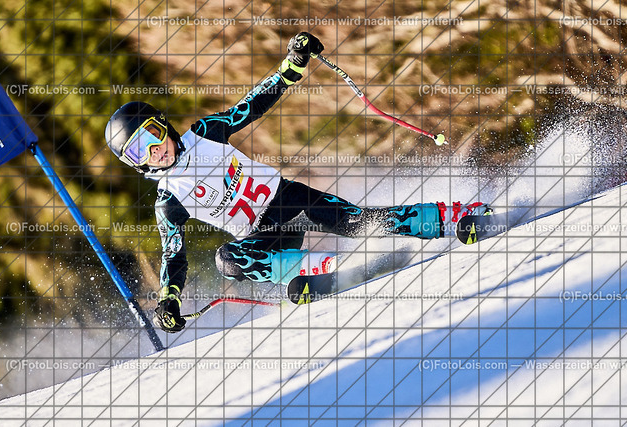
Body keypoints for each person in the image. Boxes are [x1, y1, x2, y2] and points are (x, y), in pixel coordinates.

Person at [105, 32, 488, 333]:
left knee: (358, 222)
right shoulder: (168, 201)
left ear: (164, 126)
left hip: (288, 200)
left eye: (152, 135)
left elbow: (253, 104)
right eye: (139, 151)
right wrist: (169, 300)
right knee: (228, 260)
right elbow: (173, 255)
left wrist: (293, 64)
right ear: (135, 164)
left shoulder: (205, 133)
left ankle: (456, 216)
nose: (154, 151)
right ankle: (326, 270)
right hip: (264, 235)